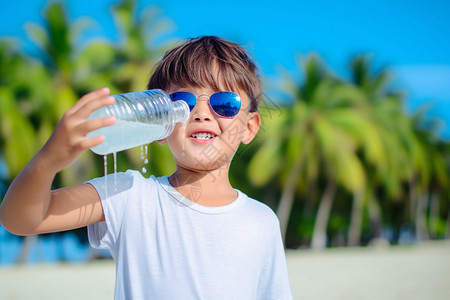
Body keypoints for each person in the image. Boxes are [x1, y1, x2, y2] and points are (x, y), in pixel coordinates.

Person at [0, 36, 292, 299]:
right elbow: (20, 220)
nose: (201, 113)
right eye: (182, 101)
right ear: (160, 123)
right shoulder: (129, 196)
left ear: (249, 127)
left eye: (224, 103)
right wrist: (48, 161)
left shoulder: (261, 221)